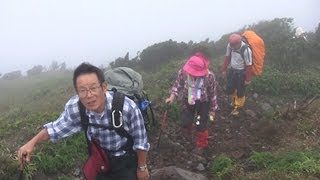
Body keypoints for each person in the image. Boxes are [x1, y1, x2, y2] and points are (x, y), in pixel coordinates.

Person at [17, 62, 150, 180]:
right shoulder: (77, 108)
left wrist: (142, 168)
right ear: (77, 92)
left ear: (104, 87)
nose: (89, 95)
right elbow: (55, 129)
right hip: (99, 159)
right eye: (83, 90)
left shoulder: (126, 107)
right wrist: (31, 143)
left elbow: (141, 141)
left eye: (93, 88)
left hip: (125, 159)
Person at [165, 51, 218, 153]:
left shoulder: (209, 76)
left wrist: (213, 109)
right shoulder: (183, 73)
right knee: (186, 121)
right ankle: (189, 131)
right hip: (188, 100)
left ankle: (201, 144)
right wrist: (171, 97)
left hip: (203, 103)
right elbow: (177, 85)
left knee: (201, 123)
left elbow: (213, 93)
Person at [221, 33, 253, 116]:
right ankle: (233, 101)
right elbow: (227, 57)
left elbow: (249, 65)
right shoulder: (230, 46)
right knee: (230, 88)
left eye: (234, 45)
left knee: (240, 90)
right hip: (232, 70)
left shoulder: (246, 50)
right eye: (231, 45)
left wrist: (247, 79)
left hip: (242, 73)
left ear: (239, 43)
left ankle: (238, 107)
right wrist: (224, 69)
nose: (233, 47)